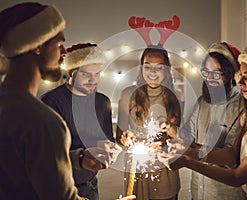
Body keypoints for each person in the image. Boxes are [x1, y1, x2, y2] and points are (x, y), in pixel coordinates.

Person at [167, 44, 247, 199]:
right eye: (241, 76)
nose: (241, 82)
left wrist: (188, 161)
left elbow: (237, 176)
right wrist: (189, 149)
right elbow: (232, 153)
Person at [0, 2, 88, 199]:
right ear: (38, 46)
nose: (64, 52)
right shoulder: (43, 123)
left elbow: (16, 164)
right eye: (58, 43)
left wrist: (77, 158)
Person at [41, 42, 115, 200]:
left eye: (97, 74)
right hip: (59, 187)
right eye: (85, 74)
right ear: (71, 72)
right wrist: (80, 156)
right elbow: (43, 154)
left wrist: (107, 146)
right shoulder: (51, 101)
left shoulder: (103, 102)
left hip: (90, 184)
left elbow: (107, 138)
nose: (92, 80)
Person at [173, 42, 246, 200]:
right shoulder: (202, 102)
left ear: (231, 73)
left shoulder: (241, 106)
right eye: (207, 72)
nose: (211, 78)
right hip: (198, 192)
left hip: (224, 193)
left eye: (218, 72)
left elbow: (232, 156)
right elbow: (188, 134)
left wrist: (191, 155)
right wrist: (171, 130)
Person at [116, 46, 183, 200]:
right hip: (136, 168)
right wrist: (127, 138)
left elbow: (180, 138)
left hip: (165, 168)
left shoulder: (176, 97)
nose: (152, 72)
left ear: (166, 70)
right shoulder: (128, 94)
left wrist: (163, 145)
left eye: (159, 67)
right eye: (147, 66)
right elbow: (119, 135)